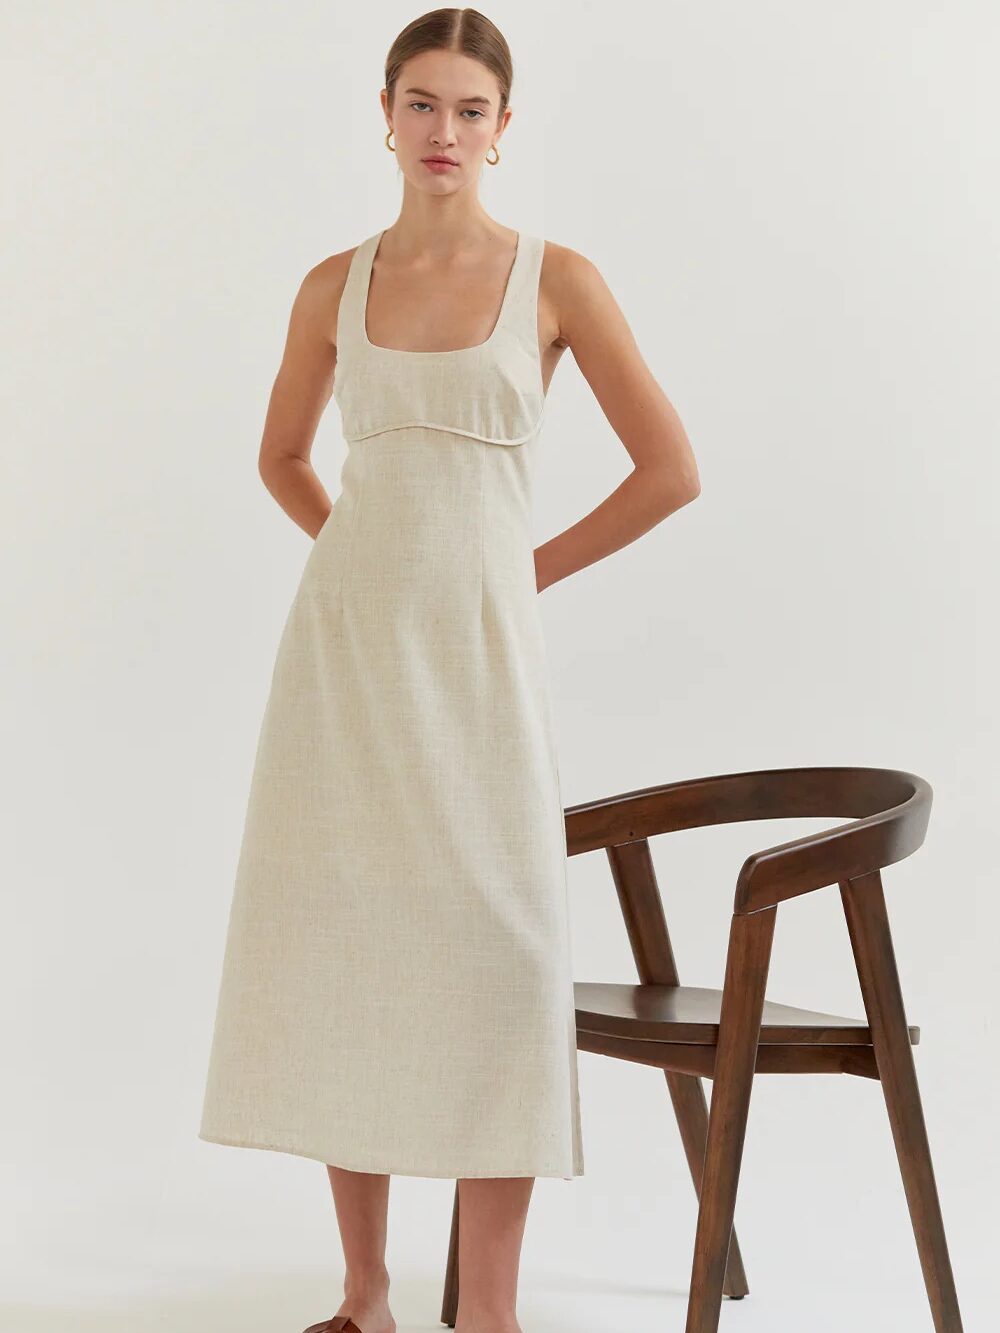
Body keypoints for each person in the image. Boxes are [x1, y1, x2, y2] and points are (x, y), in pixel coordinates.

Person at [198, 8, 700, 1333]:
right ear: (384, 112)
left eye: (470, 111)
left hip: (480, 669)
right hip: (343, 666)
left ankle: (488, 1310)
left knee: (499, 958)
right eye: (422, 104)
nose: (444, 131)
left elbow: (671, 472)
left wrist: (515, 570)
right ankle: (363, 1297)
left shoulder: (558, 279)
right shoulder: (331, 284)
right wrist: (362, 564)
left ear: (503, 129)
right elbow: (284, 459)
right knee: (344, 945)